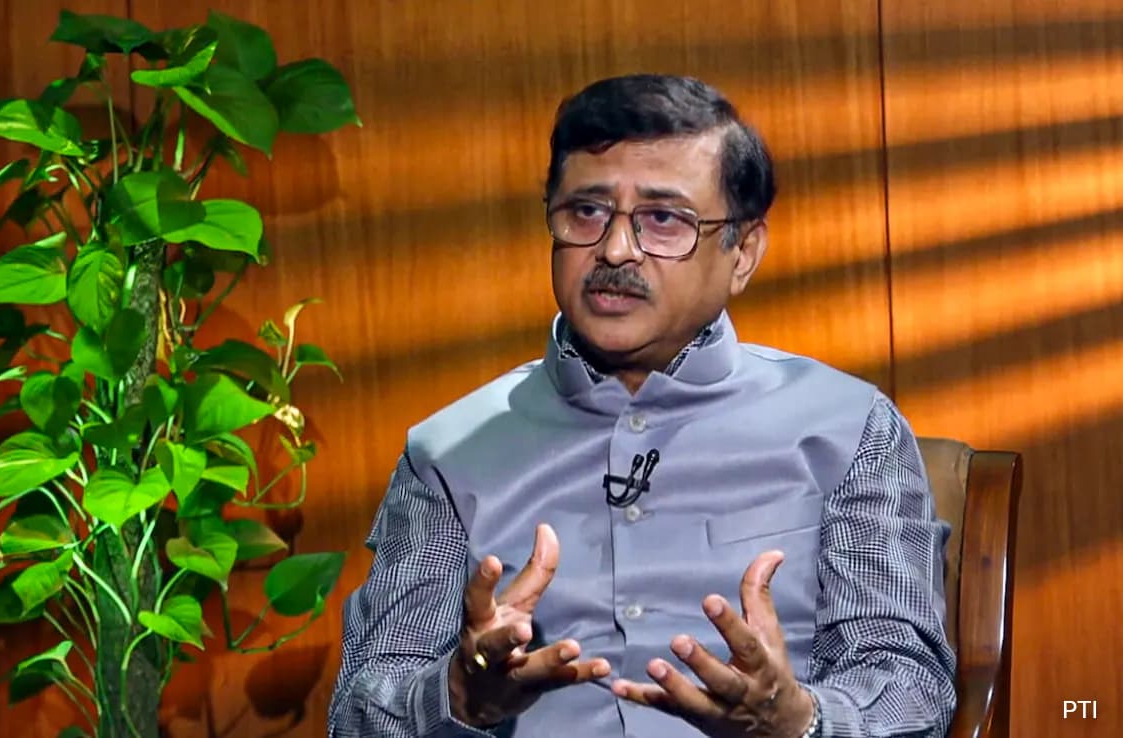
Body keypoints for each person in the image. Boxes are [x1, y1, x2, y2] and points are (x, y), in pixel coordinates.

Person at [327, 74, 957, 738]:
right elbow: (359, 712)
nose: (615, 250)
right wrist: (458, 698)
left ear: (742, 253)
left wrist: (798, 721)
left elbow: (908, 685)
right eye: (586, 211)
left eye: (664, 219)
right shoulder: (449, 453)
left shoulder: (847, 430)